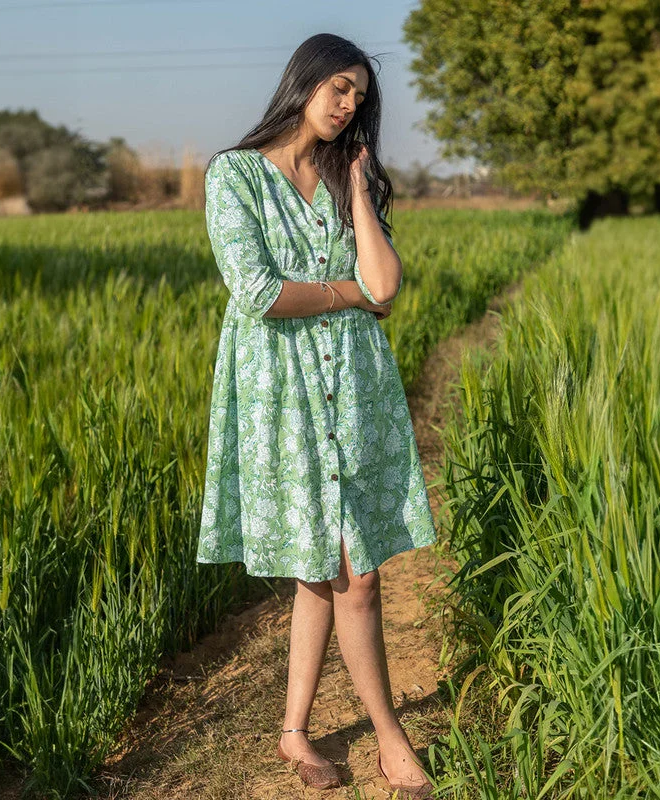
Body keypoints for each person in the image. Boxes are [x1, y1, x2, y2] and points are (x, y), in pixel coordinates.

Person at [196, 32, 437, 799]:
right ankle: (390, 737)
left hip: (355, 388)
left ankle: (293, 731)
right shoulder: (233, 176)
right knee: (348, 572)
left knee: (329, 567)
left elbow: (386, 287)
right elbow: (259, 292)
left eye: (359, 98)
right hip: (282, 394)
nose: (347, 106)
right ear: (302, 81)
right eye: (338, 87)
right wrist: (342, 295)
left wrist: (360, 192)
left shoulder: (343, 173)